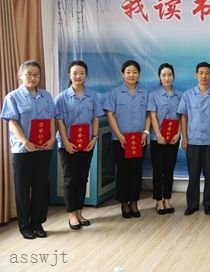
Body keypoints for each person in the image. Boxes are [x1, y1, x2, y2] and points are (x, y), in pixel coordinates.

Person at [1, 60, 56, 239]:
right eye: (29, 74)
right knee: (23, 188)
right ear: (20, 75)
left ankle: (38, 223)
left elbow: (51, 118)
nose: (33, 78)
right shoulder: (13, 97)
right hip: (23, 150)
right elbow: (12, 123)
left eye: (36, 75)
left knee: (41, 187)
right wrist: (25, 141)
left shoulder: (46, 96)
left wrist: (52, 138)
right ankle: (25, 225)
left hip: (43, 148)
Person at [55, 60, 104, 230]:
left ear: (86, 75)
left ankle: (79, 211)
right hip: (67, 145)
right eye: (75, 73)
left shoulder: (92, 96)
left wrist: (94, 138)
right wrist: (66, 142)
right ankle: (71, 214)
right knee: (70, 179)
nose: (78, 76)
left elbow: (95, 118)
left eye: (82, 73)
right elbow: (60, 122)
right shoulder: (61, 98)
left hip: (87, 144)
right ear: (69, 75)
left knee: (83, 178)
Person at [104, 60, 151, 219]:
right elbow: (110, 114)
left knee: (136, 171)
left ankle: (134, 202)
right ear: (122, 74)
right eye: (128, 72)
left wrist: (146, 132)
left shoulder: (145, 93)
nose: (131, 75)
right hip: (121, 141)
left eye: (135, 72)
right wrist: (119, 135)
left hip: (139, 140)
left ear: (139, 74)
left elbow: (149, 114)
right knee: (123, 172)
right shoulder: (115, 93)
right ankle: (124, 203)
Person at [177, 62, 210, 216]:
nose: (204, 76)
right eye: (201, 73)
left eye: (207, 73)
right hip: (193, 141)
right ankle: (192, 204)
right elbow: (184, 117)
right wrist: (184, 137)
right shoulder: (188, 95)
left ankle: (208, 204)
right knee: (193, 175)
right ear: (196, 75)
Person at [147, 63, 182, 215]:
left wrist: (178, 134)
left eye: (169, 75)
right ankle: (158, 200)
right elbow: (152, 116)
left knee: (169, 169)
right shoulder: (153, 95)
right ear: (159, 77)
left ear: (173, 76)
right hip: (158, 139)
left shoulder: (180, 95)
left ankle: (167, 198)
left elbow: (181, 117)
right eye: (164, 75)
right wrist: (158, 135)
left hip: (173, 138)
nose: (167, 78)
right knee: (158, 170)